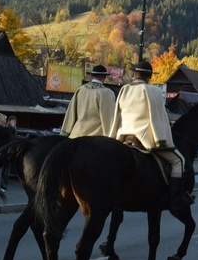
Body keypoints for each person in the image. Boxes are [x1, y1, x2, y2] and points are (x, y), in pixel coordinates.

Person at [109, 60, 190, 215]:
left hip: (124, 136)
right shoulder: (152, 91)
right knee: (179, 161)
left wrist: (112, 137)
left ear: (135, 73)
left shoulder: (124, 89)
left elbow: (116, 116)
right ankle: (176, 200)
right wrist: (162, 139)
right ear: (150, 76)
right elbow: (159, 118)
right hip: (144, 139)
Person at [61, 65, 116, 138]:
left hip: (76, 135)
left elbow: (70, 113)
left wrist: (65, 132)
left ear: (92, 76)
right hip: (95, 139)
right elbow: (108, 119)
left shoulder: (80, 90)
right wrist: (112, 138)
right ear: (104, 77)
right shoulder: (107, 93)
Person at [0, 113, 16, 191]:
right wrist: (12, 126)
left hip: (2, 150)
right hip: (1, 150)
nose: (6, 121)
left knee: (2, 169)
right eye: (5, 119)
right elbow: (10, 131)